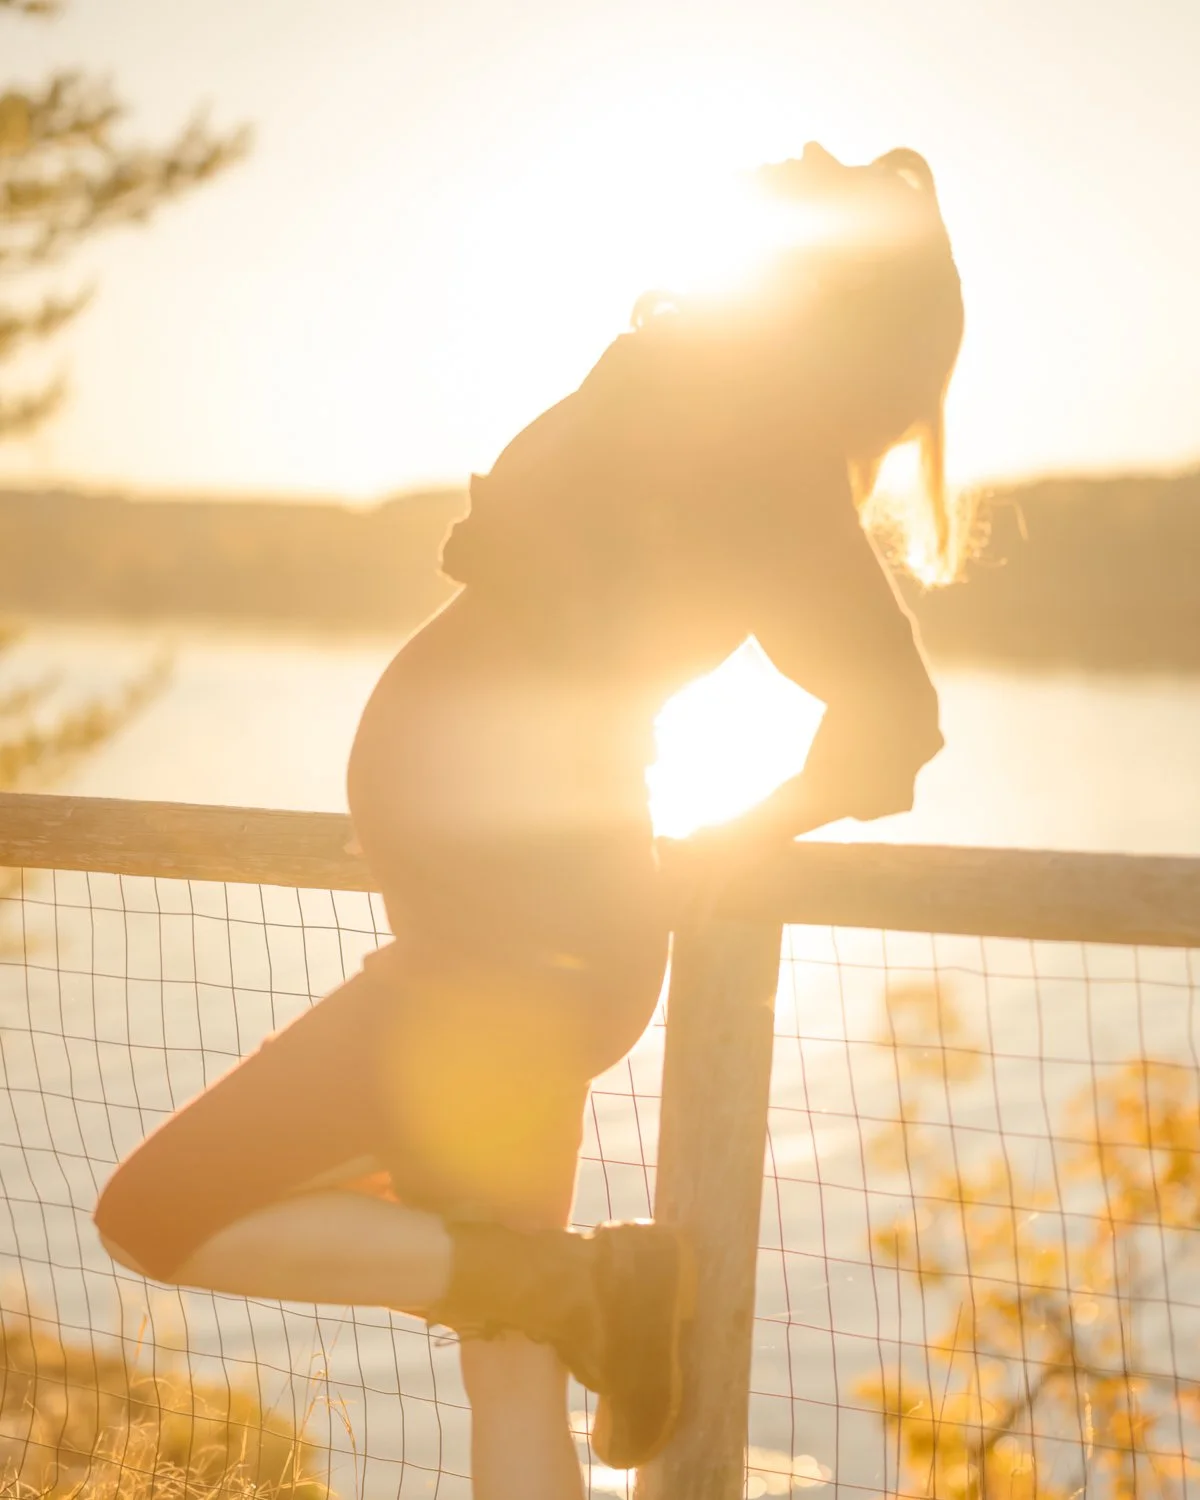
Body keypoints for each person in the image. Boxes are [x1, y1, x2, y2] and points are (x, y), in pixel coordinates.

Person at [94, 142, 964, 1499]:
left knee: (155, 1213)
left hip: (518, 956)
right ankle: (561, 1291)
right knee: (507, 1361)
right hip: (508, 942)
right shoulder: (681, 392)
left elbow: (892, 727)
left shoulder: (760, 449)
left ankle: (571, 1280)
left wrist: (737, 835)